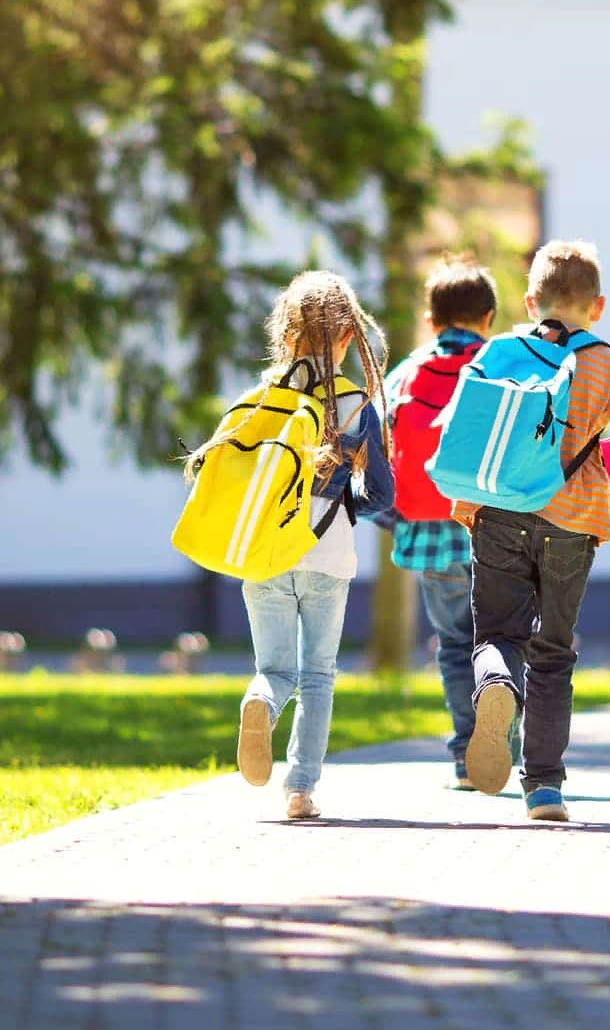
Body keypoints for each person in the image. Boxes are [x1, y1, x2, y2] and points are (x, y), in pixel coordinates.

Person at [455, 240, 610, 821]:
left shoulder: (499, 351)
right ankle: (545, 790)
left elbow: (469, 430)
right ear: (597, 307)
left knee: (497, 636)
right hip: (574, 523)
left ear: (531, 301)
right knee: (552, 655)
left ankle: (496, 684)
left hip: (498, 513)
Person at [195, 270, 393, 819]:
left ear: (284, 336)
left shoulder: (259, 401)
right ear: (349, 338)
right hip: (328, 552)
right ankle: (301, 790)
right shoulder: (356, 404)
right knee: (318, 676)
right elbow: (381, 491)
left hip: (264, 551)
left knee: (275, 670)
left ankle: (259, 701)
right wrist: (346, 504)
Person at [377, 257, 519, 789]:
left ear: (431, 320)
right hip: (500, 527)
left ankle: (466, 758)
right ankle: (507, 749)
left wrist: (394, 518)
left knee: (456, 644)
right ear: (488, 318)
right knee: (504, 637)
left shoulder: (405, 375)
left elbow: (379, 454)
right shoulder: (508, 364)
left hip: (431, 531)